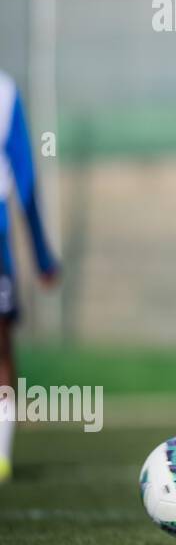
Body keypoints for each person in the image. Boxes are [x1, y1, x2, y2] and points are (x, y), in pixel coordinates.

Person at [0, 70, 59, 483]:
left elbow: (23, 177)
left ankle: (1, 451)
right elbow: (26, 179)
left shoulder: (4, 93)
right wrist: (41, 256)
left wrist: (40, 253)